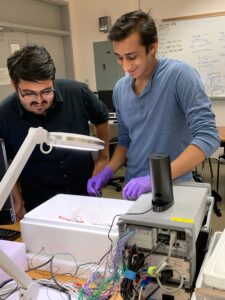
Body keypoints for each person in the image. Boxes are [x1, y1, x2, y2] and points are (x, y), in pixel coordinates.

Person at [87, 10, 220, 200]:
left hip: (175, 187)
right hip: (133, 188)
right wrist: (106, 172)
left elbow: (208, 137)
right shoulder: (120, 89)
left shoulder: (180, 76)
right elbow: (125, 141)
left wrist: (156, 178)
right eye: (119, 57)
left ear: (153, 47)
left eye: (132, 57)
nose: (125, 66)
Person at [0, 44, 109, 220]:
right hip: (39, 200)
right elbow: (7, 163)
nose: (39, 100)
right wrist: (17, 200)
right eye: (29, 93)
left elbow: (102, 118)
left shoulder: (77, 93)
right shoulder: (4, 114)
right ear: (14, 85)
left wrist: (104, 158)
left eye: (46, 91)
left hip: (84, 192)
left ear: (53, 80)